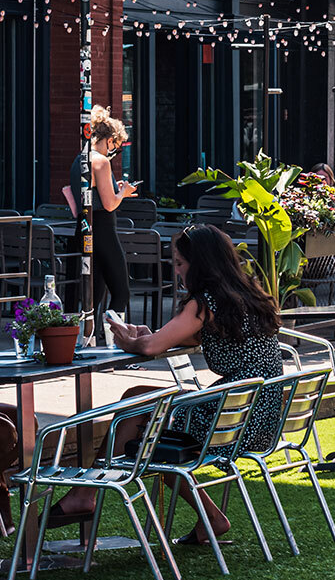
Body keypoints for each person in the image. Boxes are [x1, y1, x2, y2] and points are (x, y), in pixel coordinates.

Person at [48, 224, 284, 544]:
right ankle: (206, 517)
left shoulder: (205, 302)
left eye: (179, 264)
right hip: (259, 415)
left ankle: (84, 494)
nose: (177, 271)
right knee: (143, 406)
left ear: (199, 264)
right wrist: (150, 335)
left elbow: (149, 349)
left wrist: (130, 341)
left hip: (232, 414)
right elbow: (175, 338)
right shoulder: (245, 296)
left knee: (142, 415)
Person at [71, 106, 137, 339]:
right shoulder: (101, 161)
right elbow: (110, 204)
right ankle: (116, 345)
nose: (115, 151)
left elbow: (70, 192)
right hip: (104, 229)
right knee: (121, 291)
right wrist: (124, 192)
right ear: (110, 140)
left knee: (93, 292)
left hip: (84, 227)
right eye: (116, 147)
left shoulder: (80, 158)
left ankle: (86, 342)